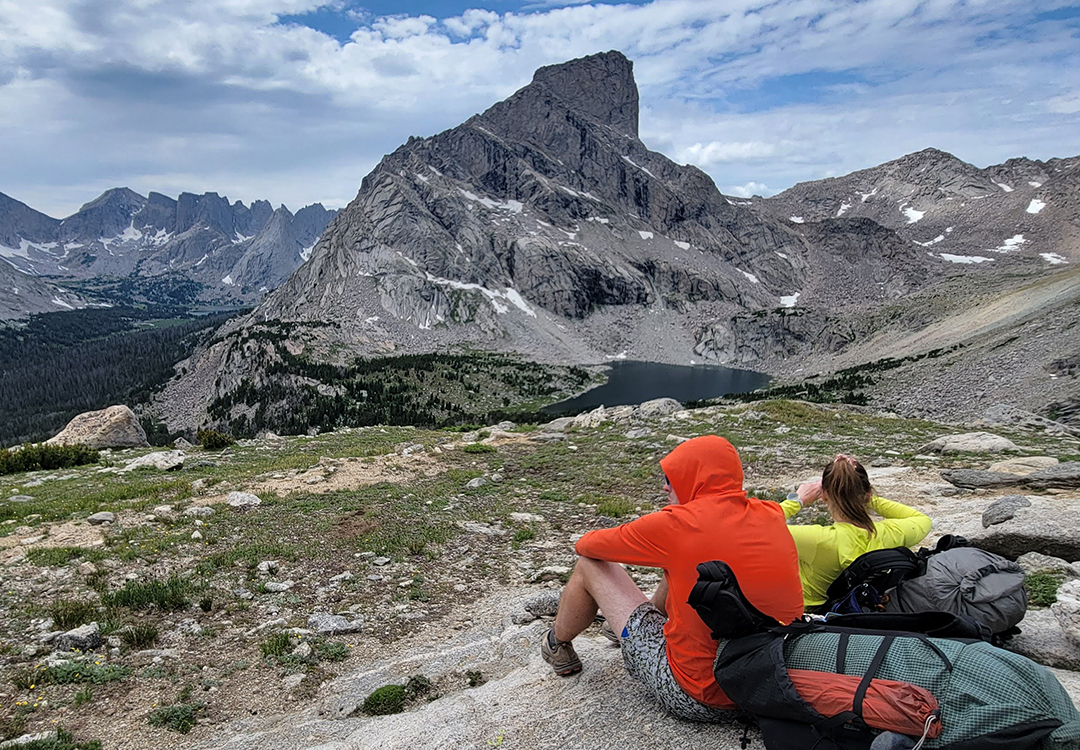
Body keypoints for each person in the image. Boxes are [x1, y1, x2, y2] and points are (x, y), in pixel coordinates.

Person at [540, 435, 804, 721]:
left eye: (672, 476)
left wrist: (659, 527)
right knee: (688, 565)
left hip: (700, 694)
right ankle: (650, 617)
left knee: (588, 566)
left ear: (694, 478)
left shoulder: (676, 525)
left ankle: (557, 644)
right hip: (771, 683)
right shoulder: (771, 513)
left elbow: (586, 545)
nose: (665, 484)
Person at [781, 453, 932, 610]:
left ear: (824, 495)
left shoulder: (816, 539)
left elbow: (757, 527)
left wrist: (797, 500)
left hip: (812, 617)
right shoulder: (888, 534)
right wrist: (865, 497)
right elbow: (922, 520)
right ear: (867, 495)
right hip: (858, 612)